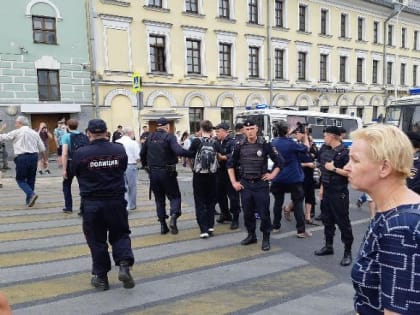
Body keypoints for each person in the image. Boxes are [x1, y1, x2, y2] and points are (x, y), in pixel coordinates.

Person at [344, 124, 420, 315]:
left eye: (355, 160)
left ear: (384, 167)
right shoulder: (391, 211)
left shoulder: (401, 226)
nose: (346, 167)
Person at [72, 119, 135, 291]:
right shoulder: (118, 149)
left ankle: (101, 278)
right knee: (120, 234)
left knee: (96, 240)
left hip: (92, 203)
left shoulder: (81, 153)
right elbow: (122, 168)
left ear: (88, 133)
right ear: (107, 132)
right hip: (115, 201)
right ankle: (123, 265)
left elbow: (74, 172)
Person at [227, 119, 284, 251]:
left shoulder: (265, 144)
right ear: (243, 131)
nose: (250, 131)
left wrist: (272, 175)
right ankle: (251, 235)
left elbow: (280, 161)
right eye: (247, 129)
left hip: (260, 185)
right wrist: (234, 182)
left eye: (252, 128)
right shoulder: (239, 145)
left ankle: (266, 238)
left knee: (264, 214)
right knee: (247, 213)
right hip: (246, 184)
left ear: (257, 129)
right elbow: (230, 164)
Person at [140, 117, 191, 235]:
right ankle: (173, 216)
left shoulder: (150, 137)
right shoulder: (170, 137)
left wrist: (146, 166)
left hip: (153, 174)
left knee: (159, 200)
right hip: (168, 173)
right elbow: (178, 151)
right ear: (167, 127)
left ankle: (163, 225)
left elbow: (142, 153)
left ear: (158, 127)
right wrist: (191, 153)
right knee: (175, 197)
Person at [315, 126, 353, 266]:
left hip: (339, 192)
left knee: (343, 223)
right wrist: (322, 189)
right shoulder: (326, 151)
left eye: (325, 136)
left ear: (332, 136)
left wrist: (334, 169)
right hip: (327, 192)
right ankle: (328, 246)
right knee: (327, 221)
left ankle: (347, 252)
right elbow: (325, 173)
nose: (324, 138)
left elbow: (351, 173)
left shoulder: (345, 153)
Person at [270, 120, 312, 238]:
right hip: (293, 178)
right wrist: (305, 136)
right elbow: (306, 148)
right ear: (287, 130)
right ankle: (300, 230)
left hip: (278, 177)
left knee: (277, 203)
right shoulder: (291, 143)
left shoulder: (273, 142)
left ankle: (276, 226)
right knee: (298, 203)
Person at [0, 116, 45, 207]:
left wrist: (1, 129)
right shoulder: (34, 133)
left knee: (20, 179)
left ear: (20, 123)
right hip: (34, 157)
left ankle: (31, 194)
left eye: (16, 122)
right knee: (31, 179)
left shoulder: (17, 132)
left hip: (22, 157)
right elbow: (42, 148)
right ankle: (29, 201)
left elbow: (3, 137)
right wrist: (45, 160)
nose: (15, 124)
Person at [189, 120, 221, 238]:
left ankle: (203, 229)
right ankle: (211, 226)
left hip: (199, 175)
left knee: (200, 201)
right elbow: (222, 154)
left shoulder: (196, 141)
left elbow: (189, 154)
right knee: (211, 201)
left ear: (201, 129)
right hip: (212, 175)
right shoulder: (215, 142)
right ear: (211, 130)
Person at [215, 122, 241, 229]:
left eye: (218, 131)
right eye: (216, 131)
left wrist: (223, 157)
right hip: (219, 173)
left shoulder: (233, 142)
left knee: (233, 197)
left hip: (231, 173)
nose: (216, 133)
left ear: (225, 132)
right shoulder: (215, 142)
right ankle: (225, 214)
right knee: (220, 196)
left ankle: (235, 218)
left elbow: (235, 155)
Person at [61, 119, 89, 214]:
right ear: (77, 126)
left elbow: (64, 154)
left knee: (66, 185)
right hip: (83, 163)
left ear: (68, 126)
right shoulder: (84, 136)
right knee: (83, 185)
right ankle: (83, 209)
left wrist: (64, 169)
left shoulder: (66, 136)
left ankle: (68, 207)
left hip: (70, 163)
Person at [116, 126, 140, 211]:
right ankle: (132, 205)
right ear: (130, 133)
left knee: (122, 186)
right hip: (131, 165)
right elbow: (137, 157)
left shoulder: (117, 142)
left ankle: (125, 205)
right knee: (132, 187)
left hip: (118, 166)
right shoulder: (133, 143)